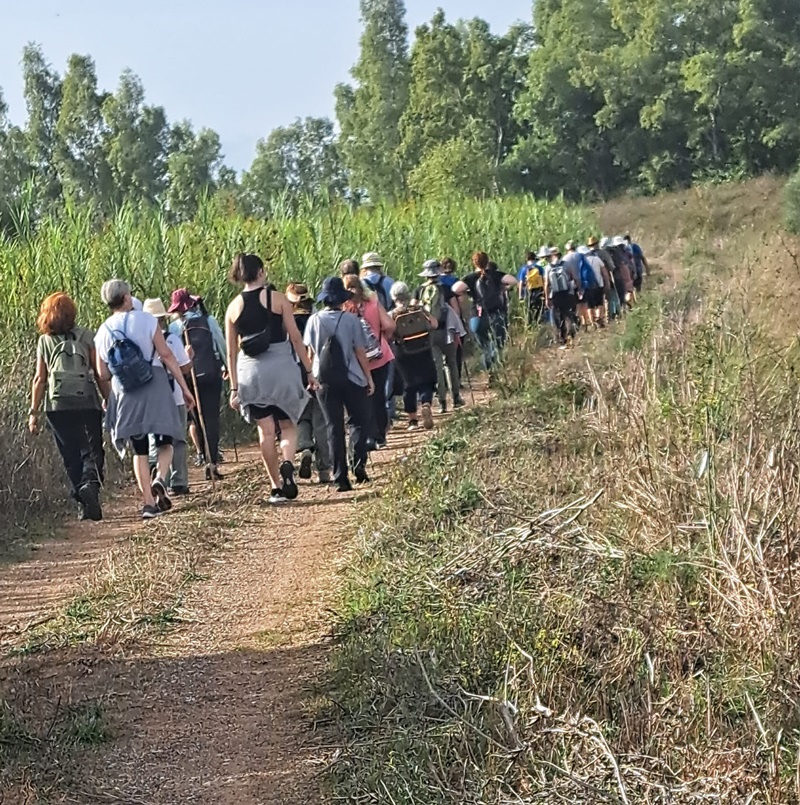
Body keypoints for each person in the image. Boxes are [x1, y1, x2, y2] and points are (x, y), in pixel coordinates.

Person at [94, 279, 196, 520]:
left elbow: (103, 374)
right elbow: (167, 355)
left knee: (139, 450)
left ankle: (148, 504)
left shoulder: (103, 331)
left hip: (125, 391)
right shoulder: (148, 320)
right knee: (165, 440)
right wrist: (184, 388)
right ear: (127, 298)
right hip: (156, 384)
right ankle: (160, 477)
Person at [225, 254, 314, 505]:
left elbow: (231, 351)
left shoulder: (233, 307)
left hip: (250, 371)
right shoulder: (278, 300)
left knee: (265, 431)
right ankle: (288, 463)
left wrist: (234, 388)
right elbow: (296, 338)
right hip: (281, 367)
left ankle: (275, 487)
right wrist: (309, 371)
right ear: (261, 272)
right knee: (287, 425)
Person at [28, 292, 107, 521]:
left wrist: (33, 412)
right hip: (87, 401)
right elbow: (99, 375)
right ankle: (91, 485)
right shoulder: (87, 336)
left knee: (70, 454)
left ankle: (83, 503)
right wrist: (110, 400)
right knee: (92, 450)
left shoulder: (44, 341)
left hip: (57, 405)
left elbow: (39, 379)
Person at [303, 276, 375, 493]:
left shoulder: (314, 320)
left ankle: (340, 477)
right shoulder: (352, 320)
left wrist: (311, 377)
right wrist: (369, 378)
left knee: (333, 427)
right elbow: (360, 352)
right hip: (352, 377)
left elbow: (310, 353)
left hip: (324, 381)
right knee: (358, 422)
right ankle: (357, 463)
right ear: (342, 299)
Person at [167, 288, 227, 481]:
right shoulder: (209, 321)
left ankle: (203, 454)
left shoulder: (174, 327)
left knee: (196, 420)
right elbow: (221, 345)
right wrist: (228, 368)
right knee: (211, 418)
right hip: (211, 375)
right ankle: (212, 463)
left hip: (188, 378)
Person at [143, 298, 193, 495]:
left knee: (154, 439)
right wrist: (190, 356)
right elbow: (184, 367)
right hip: (175, 396)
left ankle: (156, 476)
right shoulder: (171, 339)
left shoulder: (141, 341)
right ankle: (178, 481)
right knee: (177, 439)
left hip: (150, 397)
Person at [286, 283, 332, 484]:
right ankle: (324, 470)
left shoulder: (287, 322)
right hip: (318, 373)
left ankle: (305, 446)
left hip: (295, 375)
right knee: (321, 420)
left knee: (301, 417)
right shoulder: (317, 319)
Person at [343, 273, 396, 448]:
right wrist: (383, 340)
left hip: (356, 361)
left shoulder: (344, 308)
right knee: (379, 396)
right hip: (380, 356)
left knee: (362, 398)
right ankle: (380, 435)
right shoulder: (372, 302)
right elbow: (389, 325)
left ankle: (366, 436)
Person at [414, 259, 464, 413]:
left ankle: (442, 402)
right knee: (451, 363)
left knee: (437, 367)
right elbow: (455, 310)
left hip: (429, 333)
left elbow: (414, 311)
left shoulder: (419, 290)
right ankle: (456, 398)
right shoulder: (446, 289)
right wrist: (458, 329)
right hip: (446, 331)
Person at [454, 252, 517, 369]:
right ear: (488, 261)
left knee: (485, 346)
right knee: (498, 345)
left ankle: (487, 369)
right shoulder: (496, 275)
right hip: (496, 314)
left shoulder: (471, 278)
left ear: (474, 263)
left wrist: (466, 293)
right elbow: (513, 281)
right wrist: (504, 288)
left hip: (478, 316)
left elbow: (455, 288)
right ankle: (496, 370)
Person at [389, 282, 438, 430]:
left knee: (408, 385)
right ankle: (426, 403)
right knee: (426, 380)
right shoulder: (419, 309)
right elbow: (434, 324)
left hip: (403, 352)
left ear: (393, 297)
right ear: (408, 294)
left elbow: (389, 333)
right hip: (423, 348)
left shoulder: (392, 314)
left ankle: (413, 421)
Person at [544, 247, 577, 348]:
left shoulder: (548, 267)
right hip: (566, 293)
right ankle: (570, 332)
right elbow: (574, 277)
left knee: (557, 316)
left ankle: (561, 338)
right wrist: (578, 289)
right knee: (567, 313)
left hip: (555, 295)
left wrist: (546, 298)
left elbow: (546, 284)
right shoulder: (566, 264)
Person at [578, 245, 607, 328]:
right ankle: (599, 317)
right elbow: (604, 272)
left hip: (586, 286)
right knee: (599, 303)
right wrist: (606, 282)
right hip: (598, 284)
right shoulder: (596, 259)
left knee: (589, 305)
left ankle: (592, 322)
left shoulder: (580, 263)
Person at [592, 237, 622, 319]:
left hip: (591, 283)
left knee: (596, 302)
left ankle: (597, 318)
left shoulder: (586, 256)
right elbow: (612, 266)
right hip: (605, 278)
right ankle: (610, 316)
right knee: (610, 297)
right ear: (597, 244)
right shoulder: (603, 253)